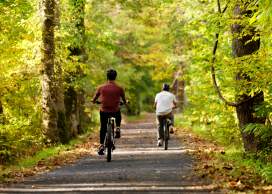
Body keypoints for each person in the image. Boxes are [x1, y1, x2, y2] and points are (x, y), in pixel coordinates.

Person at [92, 69, 127, 155]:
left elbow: (95, 98)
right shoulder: (119, 88)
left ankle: (101, 145)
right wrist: (125, 102)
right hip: (114, 111)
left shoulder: (101, 87)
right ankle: (118, 127)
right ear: (115, 77)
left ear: (107, 77)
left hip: (104, 111)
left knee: (103, 128)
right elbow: (124, 99)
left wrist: (93, 101)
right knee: (118, 111)